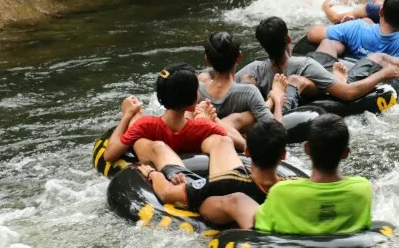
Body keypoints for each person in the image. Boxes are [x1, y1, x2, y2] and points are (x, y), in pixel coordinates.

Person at [223, 114, 373, 235]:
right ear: (346, 153)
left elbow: (258, 227)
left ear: (306, 148)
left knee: (238, 200)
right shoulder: (363, 189)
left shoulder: (282, 191)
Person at [135, 119, 291, 229]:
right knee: (223, 141)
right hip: (238, 186)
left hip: (212, 194)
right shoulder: (291, 186)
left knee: (159, 148)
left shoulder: (227, 182)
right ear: (283, 155)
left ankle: (135, 125)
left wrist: (153, 174)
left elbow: (166, 193)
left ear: (247, 152)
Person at [103, 63, 247, 168]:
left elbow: (109, 155)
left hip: (157, 153)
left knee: (137, 115)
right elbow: (241, 144)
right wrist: (213, 120)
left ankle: (132, 111)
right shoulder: (202, 126)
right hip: (194, 138)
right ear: (192, 100)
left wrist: (127, 115)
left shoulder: (145, 125)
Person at [236, 16, 399, 107]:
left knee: (327, 45)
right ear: (288, 38)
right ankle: (337, 78)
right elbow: (348, 94)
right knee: (375, 59)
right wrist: (383, 74)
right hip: (312, 73)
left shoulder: (254, 70)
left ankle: (335, 76)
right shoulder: (304, 66)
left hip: (315, 66)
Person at [199, 31, 285, 132]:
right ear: (239, 57)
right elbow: (277, 132)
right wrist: (278, 99)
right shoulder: (248, 93)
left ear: (207, 59)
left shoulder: (196, 90)